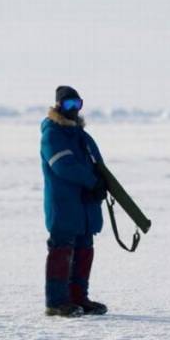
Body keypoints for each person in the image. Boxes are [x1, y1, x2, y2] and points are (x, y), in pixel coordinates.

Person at [40, 86, 108, 317]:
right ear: (58, 106)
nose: (73, 110)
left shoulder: (82, 137)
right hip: (64, 204)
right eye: (68, 105)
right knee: (62, 250)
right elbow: (63, 165)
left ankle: (79, 298)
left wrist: (100, 185)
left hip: (85, 205)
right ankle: (57, 302)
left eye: (77, 105)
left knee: (84, 250)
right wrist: (91, 182)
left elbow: (98, 166)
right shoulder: (52, 134)